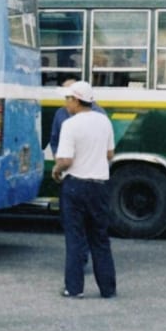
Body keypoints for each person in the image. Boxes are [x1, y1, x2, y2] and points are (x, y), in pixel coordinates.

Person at [53, 80, 117, 299]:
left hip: (75, 186)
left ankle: (74, 288)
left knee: (75, 238)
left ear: (76, 100)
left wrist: (56, 169)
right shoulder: (104, 121)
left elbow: (66, 160)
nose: (65, 104)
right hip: (99, 186)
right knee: (100, 238)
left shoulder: (70, 125)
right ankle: (107, 288)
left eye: (67, 99)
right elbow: (110, 155)